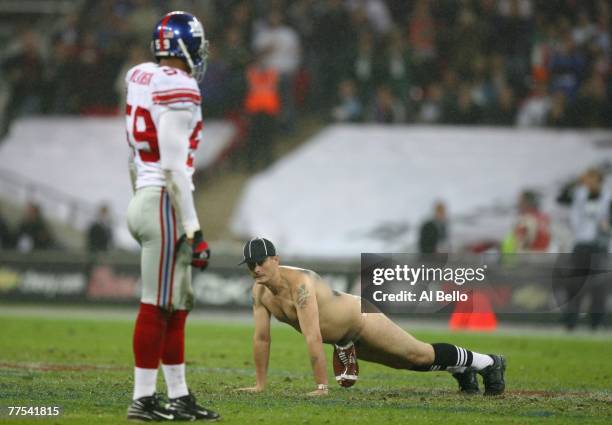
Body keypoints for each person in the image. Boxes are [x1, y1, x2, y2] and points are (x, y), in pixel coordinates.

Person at [237, 238, 506, 397]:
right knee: (406, 363)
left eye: (261, 261)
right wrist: (260, 384)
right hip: (344, 339)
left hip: (361, 318)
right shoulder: (260, 292)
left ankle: (488, 362)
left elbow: (313, 336)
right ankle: (459, 369)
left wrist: (322, 385)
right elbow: (261, 338)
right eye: (251, 264)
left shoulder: (301, 285)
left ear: (276, 259)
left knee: (418, 354)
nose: (257, 268)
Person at [124, 11, 220, 422]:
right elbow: (174, 168)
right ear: (187, 46)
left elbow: (135, 157)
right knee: (156, 304)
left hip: (146, 195)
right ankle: (143, 399)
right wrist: (193, 229)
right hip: (165, 200)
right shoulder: (180, 86)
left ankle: (179, 396)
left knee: (177, 303)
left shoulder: (140, 75)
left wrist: (141, 200)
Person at [564, 168, 610, 330]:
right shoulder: (579, 195)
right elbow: (563, 198)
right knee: (575, 284)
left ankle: (596, 323)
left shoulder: (607, 198)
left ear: (599, 180)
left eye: (592, 179)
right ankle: (571, 321)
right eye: (587, 179)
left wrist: (607, 226)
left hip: (599, 245)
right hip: (581, 243)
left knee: (599, 286)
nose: (588, 183)